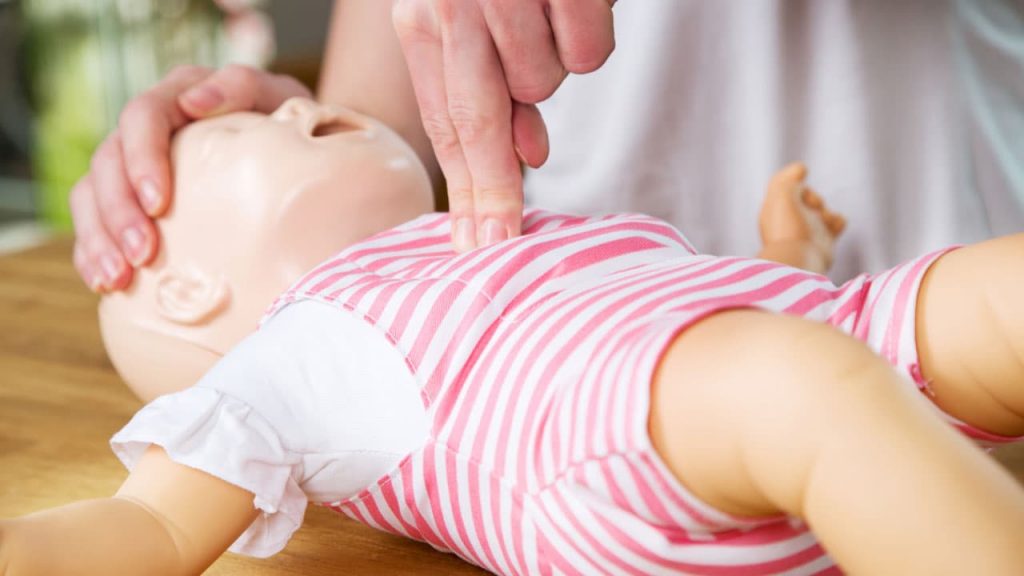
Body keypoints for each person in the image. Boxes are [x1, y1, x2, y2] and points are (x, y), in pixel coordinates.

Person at [3, 100, 1023, 575]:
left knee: (992, 291)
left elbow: (681, 311)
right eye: (237, 135)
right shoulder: (295, 350)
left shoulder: (500, 221)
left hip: (779, 356)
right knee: (810, 389)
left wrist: (784, 262)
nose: (303, 104)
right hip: (610, 454)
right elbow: (153, 531)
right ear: (184, 290)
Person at [67, 0, 1024, 293]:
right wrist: (335, 147)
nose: (287, 125)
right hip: (571, 383)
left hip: (947, 324)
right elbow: (399, 115)